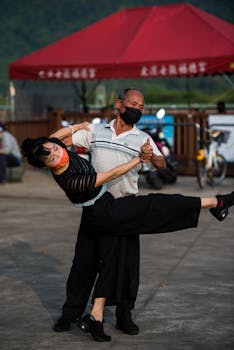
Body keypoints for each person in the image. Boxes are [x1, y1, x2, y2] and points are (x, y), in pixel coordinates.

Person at [21, 135, 234, 342]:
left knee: (110, 264)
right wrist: (138, 160)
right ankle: (216, 203)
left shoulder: (51, 147)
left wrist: (79, 125)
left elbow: (53, 140)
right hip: (106, 213)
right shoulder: (71, 180)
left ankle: (96, 316)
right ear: (46, 165)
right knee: (156, 206)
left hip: (103, 209)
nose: (59, 153)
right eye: (53, 157)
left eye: (57, 148)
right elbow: (111, 175)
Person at [50, 88, 165, 339]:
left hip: (125, 207)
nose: (138, 108)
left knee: (126, 266)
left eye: (142, 106)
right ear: (119, 104)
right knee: (84, 263)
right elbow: (61, 144)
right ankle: (70, 313)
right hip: (94, 205)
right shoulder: (96, 130)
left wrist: (149, 156)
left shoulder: (142, 137)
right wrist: (73, 129)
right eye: (133, 103)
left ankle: (124, 315)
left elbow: (162, 163)